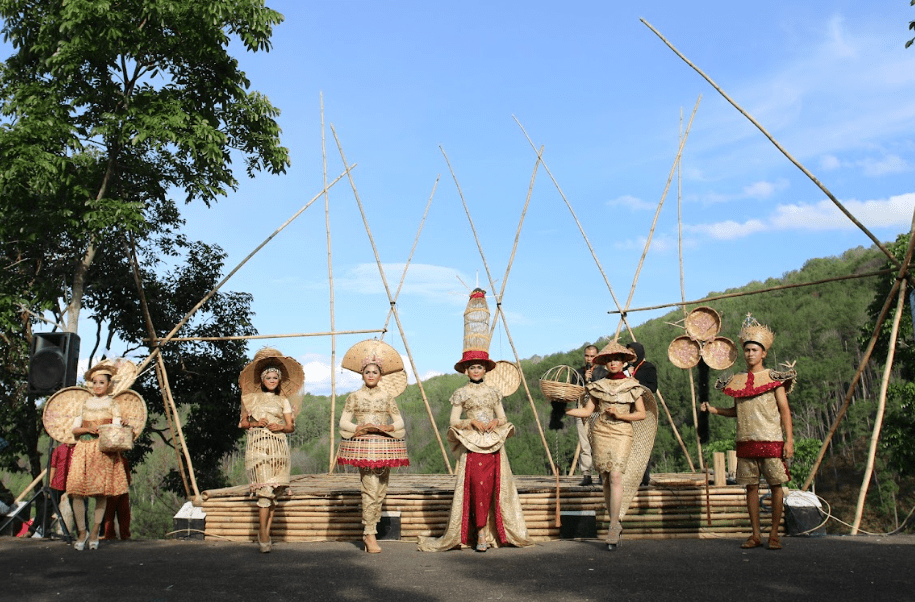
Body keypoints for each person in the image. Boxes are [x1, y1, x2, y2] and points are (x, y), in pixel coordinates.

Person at [419, 289, 532, 552]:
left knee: (495, 487)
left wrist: (495, 422)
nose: (477, 370)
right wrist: (471, 423)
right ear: (467, 371)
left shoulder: (493, 392)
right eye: (473, 367)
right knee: (475, 487)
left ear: (485, 369)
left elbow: (503, 417)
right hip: (472, 445)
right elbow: (453, 421)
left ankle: (492, 531)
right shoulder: (462, 392)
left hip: (493, 442)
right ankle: (478, 534)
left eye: (480, 366)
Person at [702, 314, 795, 550]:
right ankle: (755, 534)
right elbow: (737, 412)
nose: (750, 354)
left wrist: (789, 441)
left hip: (772, 440)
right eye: (747, 350)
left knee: (776, 486)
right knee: (751, 487)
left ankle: (774, 533)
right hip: (745, 441)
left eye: (755, 350)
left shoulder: (775, 379)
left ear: (763, 353)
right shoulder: (737, 381)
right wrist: (713, 409)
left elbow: (785, 412)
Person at [566, 341, 653, 550]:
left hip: (622, 432)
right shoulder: (599, 386)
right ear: (604, 363)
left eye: (617, 359)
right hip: (601, 432)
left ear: (623, 362)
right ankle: (615, 520)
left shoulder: (632, 386)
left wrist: (621, 415)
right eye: (609, 360)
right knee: (605, 477)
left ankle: (614, 524)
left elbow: (641, 414)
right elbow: (587, 411)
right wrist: (566, 411)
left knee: (615, 475)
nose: (613, 363)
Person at [338, 348, 409, 554]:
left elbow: (399, 421)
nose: (371, 375)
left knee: (380, 491)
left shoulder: (387, 397)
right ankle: (370, 534)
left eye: (375, 372)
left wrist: (389, 427)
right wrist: (358, 428)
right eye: (367, 372)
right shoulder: (354, 396)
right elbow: (343, 422)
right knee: (369, 488)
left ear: (380, 375)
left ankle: (371, 529)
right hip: (363, 447)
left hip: (384, 447)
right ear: (362, 374)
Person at [239, 349, 302, 553]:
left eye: (275, 377)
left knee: (274, 492)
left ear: (279, 379)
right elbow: (242, 423)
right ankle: (263, 533)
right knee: (264, 491)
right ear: (262, 378)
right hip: (257, 447)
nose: (272, 380)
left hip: (279, 448)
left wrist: (281, 427)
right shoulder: (249, 398)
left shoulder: (283, 400)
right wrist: (256, 422)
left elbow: (291, 426)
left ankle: (265, 531)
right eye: (268, 377)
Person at [66, 363, 130, 551]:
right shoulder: (85, 403)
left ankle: (95, 531)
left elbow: (117, 430)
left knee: (101, 492)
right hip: (83, 448)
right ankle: (81, 531)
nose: (98, 386)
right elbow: (75, 429)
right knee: (76, 491)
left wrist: (122, 424)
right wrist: (87, 429)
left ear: (109, 384)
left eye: (102, 382)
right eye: (95, 382)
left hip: (102, 450)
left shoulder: (112, 404)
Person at [572, 345, 607, 487]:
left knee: (599, 442)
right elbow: (573, 390)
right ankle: (586, 474)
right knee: (584, 443)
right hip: (582, 409)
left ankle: (601, 472)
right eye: (587, 356)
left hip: (598, 410)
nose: (589, 358)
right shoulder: (578, 373)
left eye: (592, 356)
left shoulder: (603, 373)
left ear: (597, 357)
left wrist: (593, 382)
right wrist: (583, 380)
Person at [626, 341, 657, 486]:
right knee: (628, 443)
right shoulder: (624, 368)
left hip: (645, 408)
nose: (631, 354)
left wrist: (637, 381)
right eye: (629, 352)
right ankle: (630, 475)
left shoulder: (648, 367)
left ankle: (644, 475)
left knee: (643, 442)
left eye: (633, 352)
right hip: (627, 409)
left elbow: (653, 387)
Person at [48, 442, 78, 536]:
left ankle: (81, 532)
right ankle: (33, 529)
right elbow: (53, 466)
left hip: (73, 482)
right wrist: (50, 483)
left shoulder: (79, 449)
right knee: (48, 505)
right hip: (58, 482)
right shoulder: (59, 449)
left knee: (78, 507)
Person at [101, 457, 131, 540]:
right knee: (113, 513)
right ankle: (114, 534)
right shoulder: (110, 459)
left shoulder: (123, 460)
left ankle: (117, 534)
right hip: (113, 489)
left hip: (119, 489)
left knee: (118, 513)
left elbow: (127, 475)